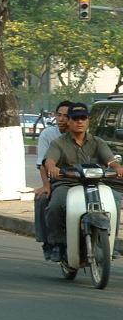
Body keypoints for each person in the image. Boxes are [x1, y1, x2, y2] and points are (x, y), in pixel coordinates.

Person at [42, 102, 123, 262]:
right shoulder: (59, 143)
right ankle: (57, 243)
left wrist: (117, 167)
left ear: (88, 121)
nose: (79, 122)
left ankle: (111, 244)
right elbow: (49, 160)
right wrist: (52, 166)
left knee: (115, 200)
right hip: (67, 184)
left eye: (83, 118)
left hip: (94, 184)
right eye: (75, 118)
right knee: (55, 206)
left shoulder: (97, 142)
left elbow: (110, 160)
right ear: (69, 121)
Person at [33, 100, 71, 259]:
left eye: (66, 116)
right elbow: (42, 163)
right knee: (44, 200)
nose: (61, 119)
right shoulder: (49, 135)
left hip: (83, 181)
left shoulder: (87, 136)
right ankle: (50, 243)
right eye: (59, 115)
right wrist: (46, 185)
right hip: (58, 181)